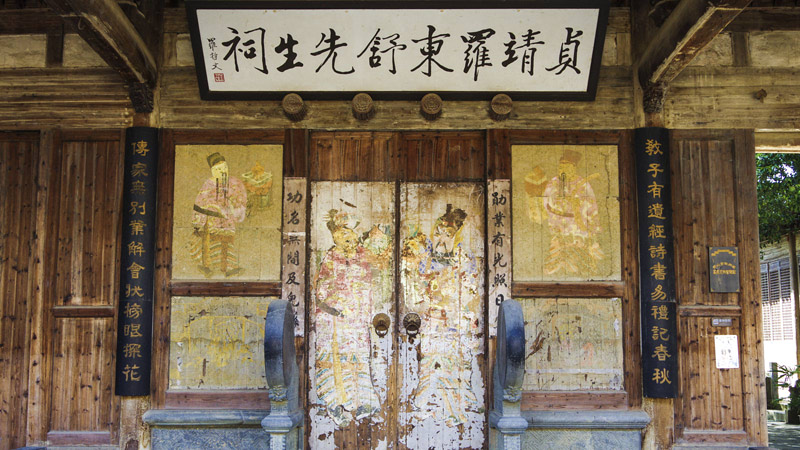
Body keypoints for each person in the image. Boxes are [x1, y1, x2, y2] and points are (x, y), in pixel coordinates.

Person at [402, 204, 481, 426]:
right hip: (430, 321)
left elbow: (470, 292)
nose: (441, 238)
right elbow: (414, 291)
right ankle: (425, 403)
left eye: (447, 234)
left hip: (456, 322)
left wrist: (449, 301)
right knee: (430, 362)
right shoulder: (425, 259)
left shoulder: (464, 259)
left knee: (454, 364)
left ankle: (454, 410)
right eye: (437, 233)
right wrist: (427, 299)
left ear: (456, 237)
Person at [313, 210, 380, 427]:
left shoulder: (363, 255)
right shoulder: (330, 257)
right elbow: (320, 288)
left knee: (358, 359)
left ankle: (363, 402)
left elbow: (371, 283)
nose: (346, 239)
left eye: (349, 234)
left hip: (358, 319)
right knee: (335, 361)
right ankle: (334, 403)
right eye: (341, 235)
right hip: (334, 319)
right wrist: (334, 307)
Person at [526, 149, 603, 276]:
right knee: (558, 252)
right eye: (560, 166)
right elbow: (545, 204)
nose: (562, 169)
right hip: (558, 225)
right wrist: (556, 205)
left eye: (566, 166)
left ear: (574, 167)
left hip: (578, 227)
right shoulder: (553, 183)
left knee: (580, 254)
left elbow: (592, 207)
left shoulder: (583, 184)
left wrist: (579, 208)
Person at [190, 152, 247, 277]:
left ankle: (229, 268)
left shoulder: (233, 182)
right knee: (208, 244)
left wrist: (235, 207)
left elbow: (239, 199)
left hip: (227, 220)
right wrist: (200, 219)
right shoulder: (208, 184)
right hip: (209, 220)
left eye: (225, 167)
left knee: (226, 243)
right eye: (219, 169)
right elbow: (201, 201)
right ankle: (207, 268)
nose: (223, 171)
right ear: (213, 170)